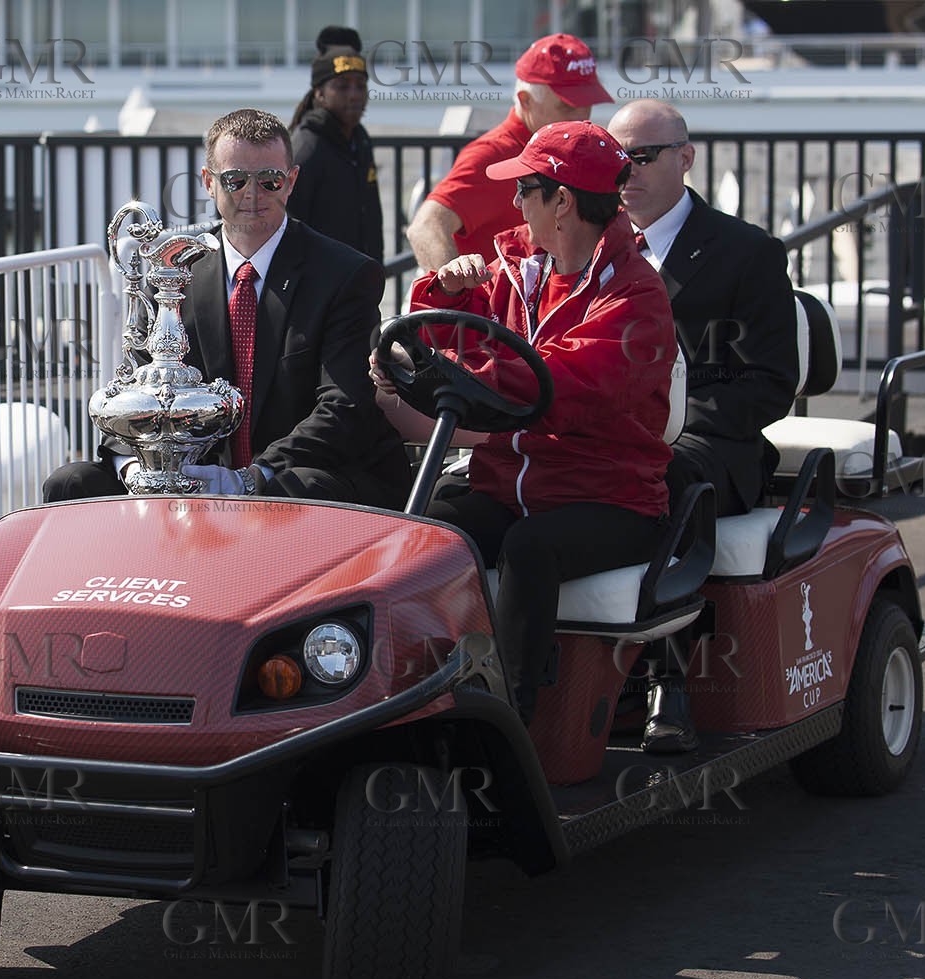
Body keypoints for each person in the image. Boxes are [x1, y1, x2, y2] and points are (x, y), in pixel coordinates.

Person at [372, 121, 676, 719]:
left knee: (529, 548)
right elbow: (445, 332)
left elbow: (560, 387)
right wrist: (448, 292)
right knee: (425, 529)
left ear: (561, 201)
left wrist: (463, 372)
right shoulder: (517, 265)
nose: (513, 203)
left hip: (611, 497)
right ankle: (393, 691)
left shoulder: (636, 296)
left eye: (524, 190)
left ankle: (514, 713)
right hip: (508, 480)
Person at [43, 108, 409, 508]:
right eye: (235, 180)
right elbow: (136, 389)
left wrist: (252, 478)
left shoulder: (345, 274)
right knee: (71, 483)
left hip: (301, 472)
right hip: (193, 474)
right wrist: (134, 467)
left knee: (299, 487)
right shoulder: (174, 269)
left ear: (291, 183)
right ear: (208, 182)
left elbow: (343, 405)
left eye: (270, 180)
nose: (252, 195)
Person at [606, 99, 800, 753]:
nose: (624, 172)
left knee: (669, 473)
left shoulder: (747, 252)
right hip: (610, 429)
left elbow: (771, 382)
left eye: (641, 157)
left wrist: (669, 422)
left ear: (686, 159)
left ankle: (671, 681)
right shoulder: (589, 247)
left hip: (713, 443)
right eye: (614, 159)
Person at [405, 34, 611, 273]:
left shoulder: (572, 151)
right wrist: (458, 298)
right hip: (498, 307)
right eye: (567, 106)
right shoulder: (493, 154)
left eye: (589, 101)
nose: (582, 115)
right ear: (525, 101)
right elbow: (425, 226)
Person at [286, 26, 383, 261]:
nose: (354, 94)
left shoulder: (360, 139)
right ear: (319, 93)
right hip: (321, 285)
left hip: (358, 277)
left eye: (360, 85)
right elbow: (287, 227)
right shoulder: (307, 146)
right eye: (342, 85)